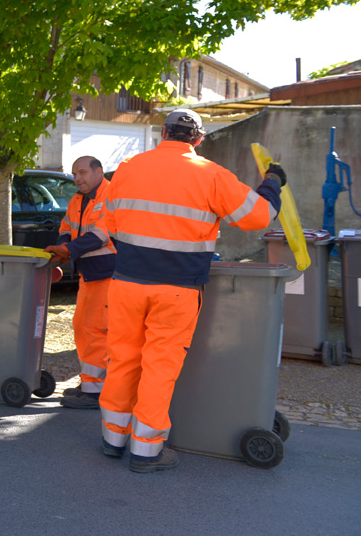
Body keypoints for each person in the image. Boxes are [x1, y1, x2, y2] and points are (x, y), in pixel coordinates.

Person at [89, 108, 283, 473]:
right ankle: (146, 451)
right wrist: (272, 182)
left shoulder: (129, 168)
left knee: (123, 360)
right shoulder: (211, 174)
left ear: (163, 132)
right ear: (198, 138)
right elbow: (258, 217)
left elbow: (111, 222)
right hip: (176, 290)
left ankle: (112, 440)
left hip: (127, 283)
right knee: (159, 367)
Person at [45, 156, 115, 410]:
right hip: (88, 274)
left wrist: (68, 249)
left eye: (83, 172)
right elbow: (67, 226)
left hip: (106, 273)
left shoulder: (111, 196)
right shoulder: (77, 200)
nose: (78, 178)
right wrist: (64, 244)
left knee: (96, 329)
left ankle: (96, 390)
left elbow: (102, 234)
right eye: (75, 174)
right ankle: (90, 382)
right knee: (82, 327)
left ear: (99, 171)